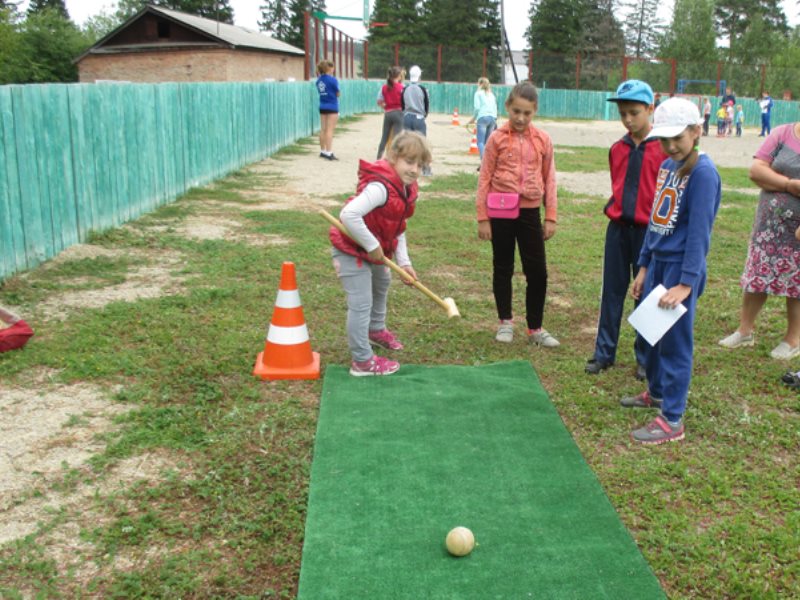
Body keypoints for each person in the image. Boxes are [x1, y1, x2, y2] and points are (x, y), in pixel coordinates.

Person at [622, 97, 721, 444]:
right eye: (664, 139)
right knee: (651, 335)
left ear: (697, 131)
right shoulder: (667, 166)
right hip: (659, 263)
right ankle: (657, 392)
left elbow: (699, 234)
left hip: (681, 269)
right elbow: (655, 221)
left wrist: (686, 284)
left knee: (675, 344)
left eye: (678, 137)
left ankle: (673, 418)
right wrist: (645, 264)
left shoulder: (704, 174)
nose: (670, 145)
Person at [329, 131, 433, 376]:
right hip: (350, 249)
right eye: (409, 162)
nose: (415, 169)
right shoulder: (380, 188)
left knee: (383, 280)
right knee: (361, 303)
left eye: (420, 165)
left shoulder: (406, 189)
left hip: (371, 249)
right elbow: (348, 215)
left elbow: (398, 227)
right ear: (393, 157)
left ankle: (375, 330)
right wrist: (372, 245)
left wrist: (404, 263)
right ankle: (362, 361)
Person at [585, 80, 667, 380]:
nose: (628, 119)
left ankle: (645, 358)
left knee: (646, 295)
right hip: (618, 230)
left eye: (634, 112)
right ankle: (604, 353)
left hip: (650, 233)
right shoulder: (617, 149)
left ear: (650, 109)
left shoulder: (663, 149)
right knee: (612, 292)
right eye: (623, 113)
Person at [476, 81, 559, 347]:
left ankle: (535, 328)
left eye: (527, 113)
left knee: (538, 272)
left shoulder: (543, 140)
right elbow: (484, 178)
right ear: (507, 107)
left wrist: (551, 216)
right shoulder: (497, 138)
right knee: (503, 267)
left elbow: (550, 179)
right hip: (500, 213)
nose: (521, 118)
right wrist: (483, 218)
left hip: (530, 213)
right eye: (516, 112)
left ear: (534, 111)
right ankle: (505, 322)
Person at [718, 122, 800, 360]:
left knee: (797, 284)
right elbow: (756, 170)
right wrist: (789, 185)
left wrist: (774, 179)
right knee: (757, 276)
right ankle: (745, 331)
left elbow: (767, 174)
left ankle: (793, 339)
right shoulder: (782, 133)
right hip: (768, 227)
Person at [401, 65, 431, 176]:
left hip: (407, 117)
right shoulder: (423, 89)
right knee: (423, 144)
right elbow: (427, 105)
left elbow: (402, 105)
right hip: (419, 117)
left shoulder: (405, 89)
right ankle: (426, 169)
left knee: (407, 143)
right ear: (419, 76)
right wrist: (424, 115)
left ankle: (406, 167)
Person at [466, 77, 498, 163]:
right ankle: (490, 162)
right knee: (488, 143)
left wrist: (472, 120)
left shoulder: (478, 93)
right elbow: (495, 107)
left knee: (480, 142)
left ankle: (484, 162)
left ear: (480, 84)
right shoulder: (492, 95)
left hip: (483, 118)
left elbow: (477, 108)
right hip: (492, 118)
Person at [375, 66, 405, 160]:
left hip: (388, 113)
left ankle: (379, 157)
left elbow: (379, 101)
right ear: (399, 76)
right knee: (397, 138)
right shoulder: (402, 87)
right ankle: (394, 158)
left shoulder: (384, 87)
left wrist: (386, 106)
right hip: (399, 113)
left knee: (384, 137)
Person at [315, 60, 340, 161]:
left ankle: (323, 151)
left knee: (323, 129)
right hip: (332, 106)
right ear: (329, 68)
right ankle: (329, 152)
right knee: (330, 130)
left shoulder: (319, 80)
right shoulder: (333, 80)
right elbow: (338, 93)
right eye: (332, 67)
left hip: (322, 105)